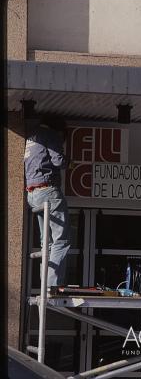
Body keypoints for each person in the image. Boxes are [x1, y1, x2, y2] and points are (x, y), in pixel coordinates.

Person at [24, 116, 71, 287]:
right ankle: (52, 285)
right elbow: (58, 160)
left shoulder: (31, 136)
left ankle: (45, 284)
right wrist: (70, 162)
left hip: (32, 194)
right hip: (47, 190)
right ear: (59, 131)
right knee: (61, 240)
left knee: (47, 242)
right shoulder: (50, 135)